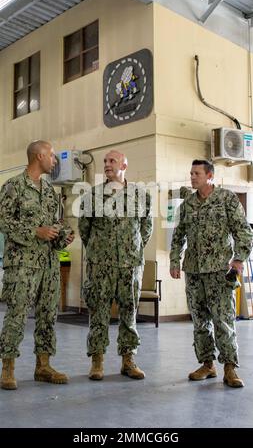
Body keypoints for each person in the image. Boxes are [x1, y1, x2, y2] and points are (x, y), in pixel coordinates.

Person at [170, 159, 253, 388]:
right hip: (194, 271)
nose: (192, 176)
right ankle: (207, 364)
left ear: (210, 176)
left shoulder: (226, 199)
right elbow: (178, 236)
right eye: (191, 173)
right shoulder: (187, 203)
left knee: (223, 320)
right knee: (199, 320)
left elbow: (244, 232)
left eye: (196, 173)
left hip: (219, 271)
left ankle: (230, 368)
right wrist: (174, 260)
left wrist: (238, 259)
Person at [0, 140, 74, 390]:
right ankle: (7, 368)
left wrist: (64, 235)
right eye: (52, 155)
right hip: (22, 265)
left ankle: (43, 366)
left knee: (47, 316)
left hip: (49, 264)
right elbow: (3, 222)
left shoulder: (50, 191)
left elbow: (57, 223)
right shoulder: (13, 186)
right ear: (39, 156)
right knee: (17, 315)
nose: (54, 160)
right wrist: (35, 231)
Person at [78, 150, 153, 380]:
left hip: (130, 266)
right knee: (98, 314)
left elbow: (146, 228)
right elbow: (84, 229)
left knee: (129, 314)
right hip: (100, 266)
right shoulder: (92, 196)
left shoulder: (141, 196)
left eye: (112, 161)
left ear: (124, 165)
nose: (107, 165)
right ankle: (97, 361)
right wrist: (99, 251)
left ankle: (128, 360)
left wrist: (132, 249)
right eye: (105, 162)